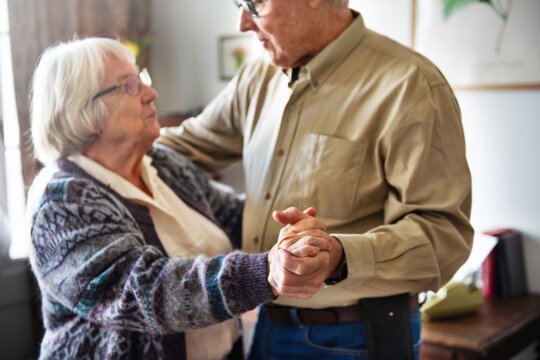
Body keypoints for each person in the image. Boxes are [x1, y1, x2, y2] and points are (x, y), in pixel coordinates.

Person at [159, 0, 475, 358]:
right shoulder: (256, 78)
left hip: (357, 338)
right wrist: (91, 150)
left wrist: (338, 257)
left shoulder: (410, 85)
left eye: (255, 4)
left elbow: (443, 238)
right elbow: (178, 149)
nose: (243, 23)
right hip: (265, 324)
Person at [26, 37, 336, 360]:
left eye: (142, 79)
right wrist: (265, 271)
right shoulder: (59, 202)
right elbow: (147, 291)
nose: (151, 93)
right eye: (130, 86)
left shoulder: (162, 163)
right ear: (84, 110)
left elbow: (236, 217)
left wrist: (293, 234)